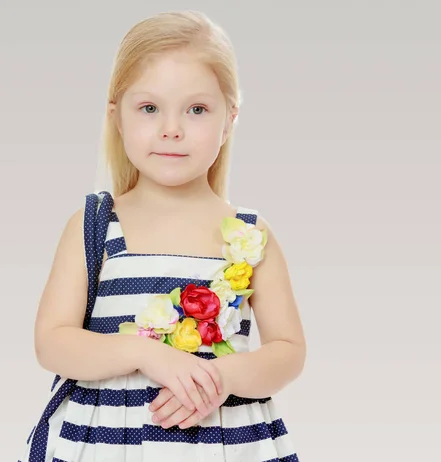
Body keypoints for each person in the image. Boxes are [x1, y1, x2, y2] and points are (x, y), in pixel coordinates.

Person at [18, 10, 305, 462]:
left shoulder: (249, 234)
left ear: (230, 119)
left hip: (224, 444)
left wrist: (222, 379)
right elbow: (52, 342)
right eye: (150, 108)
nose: (172, 128)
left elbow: (288, 351)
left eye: (196, 109)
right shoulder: (94, 225)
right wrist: (145, 354)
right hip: (106, 445)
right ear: (117, 116)